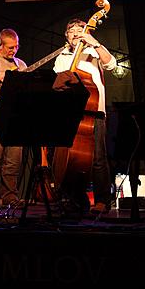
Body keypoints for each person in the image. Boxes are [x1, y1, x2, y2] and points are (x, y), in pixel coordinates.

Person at [53, 18, 117, 214]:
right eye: (71, 30)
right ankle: (73, 199)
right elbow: (59, 83)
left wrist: (94, 42)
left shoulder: (93, 52)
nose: (75, 33)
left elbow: (111, 64)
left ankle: (102, 200)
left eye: (79, 30)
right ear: (66, 36)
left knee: (98, 158)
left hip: (94, 111)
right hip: (70, 113)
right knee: (71, 159)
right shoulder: (62, 56)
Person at [0, 28, 27, 208]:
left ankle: (10, 195)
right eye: (10, 47)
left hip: (15, 115)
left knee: (13, 159)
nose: (13, 51)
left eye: (16, 47)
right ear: (0, 45)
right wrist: (0, 77)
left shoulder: (21, 64)